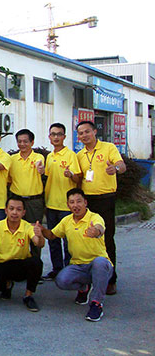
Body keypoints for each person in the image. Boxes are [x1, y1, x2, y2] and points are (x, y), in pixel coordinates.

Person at [40, 188, 113, 322]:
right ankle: (84, 288)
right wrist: (41, 230)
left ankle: (96, 304)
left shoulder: (95, 217)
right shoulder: (66, 221)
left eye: (79, 201)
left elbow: (100, 228)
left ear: (85, 202)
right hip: (78, 266)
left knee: (100, 263)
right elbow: (51, 235)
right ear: (68, 205)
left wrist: (96, 231)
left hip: (99, 265)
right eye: (72, 202)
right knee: (61, 280)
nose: (76, 205)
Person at [76, 120, 126, 295]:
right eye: (80, 133)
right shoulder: (80, 155)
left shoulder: (108, 148)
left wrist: (115, 168)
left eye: (87, 131)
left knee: (106, 239)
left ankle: (111, 280)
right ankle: (89, 278)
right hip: (87, 201)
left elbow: (122, 165)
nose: (84, 135)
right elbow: (79, 178)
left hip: (106, 199)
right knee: (87, 239)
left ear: (95, 131)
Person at [0, 196, 45, 312]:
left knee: (36, 262)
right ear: (6, 210)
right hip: (3, 264)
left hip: (21, 264)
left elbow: (39, 243)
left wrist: (40, 235)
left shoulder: (27, 226)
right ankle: (7, 286)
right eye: (11, 209)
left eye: (18, 209)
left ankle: (28, 296)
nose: (14, 212)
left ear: (23, 212)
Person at [43, 123, 81, 280]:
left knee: (68, 241)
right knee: (53, 239)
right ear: (49, 137)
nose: (56, 137)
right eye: (53, 134)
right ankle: (57, 269)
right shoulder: (49, 157)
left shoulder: (71, 155)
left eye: (59, 134)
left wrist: (71, 174)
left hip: (66, 207)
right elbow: (47, 178)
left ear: (64, 137)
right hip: (51, 204)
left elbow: (78, 178)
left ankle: (69, 271)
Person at [8, 129, 45, 258]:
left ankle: (35, 265)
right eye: (19, 141)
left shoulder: (38, 157)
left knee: (35, 233)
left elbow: (40, 165)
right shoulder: (12, 159)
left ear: (32, 142)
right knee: (15, 233)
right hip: (16, 201)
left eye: (25, 141)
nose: (22, 144)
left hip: (34, 202)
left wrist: (41, 169)